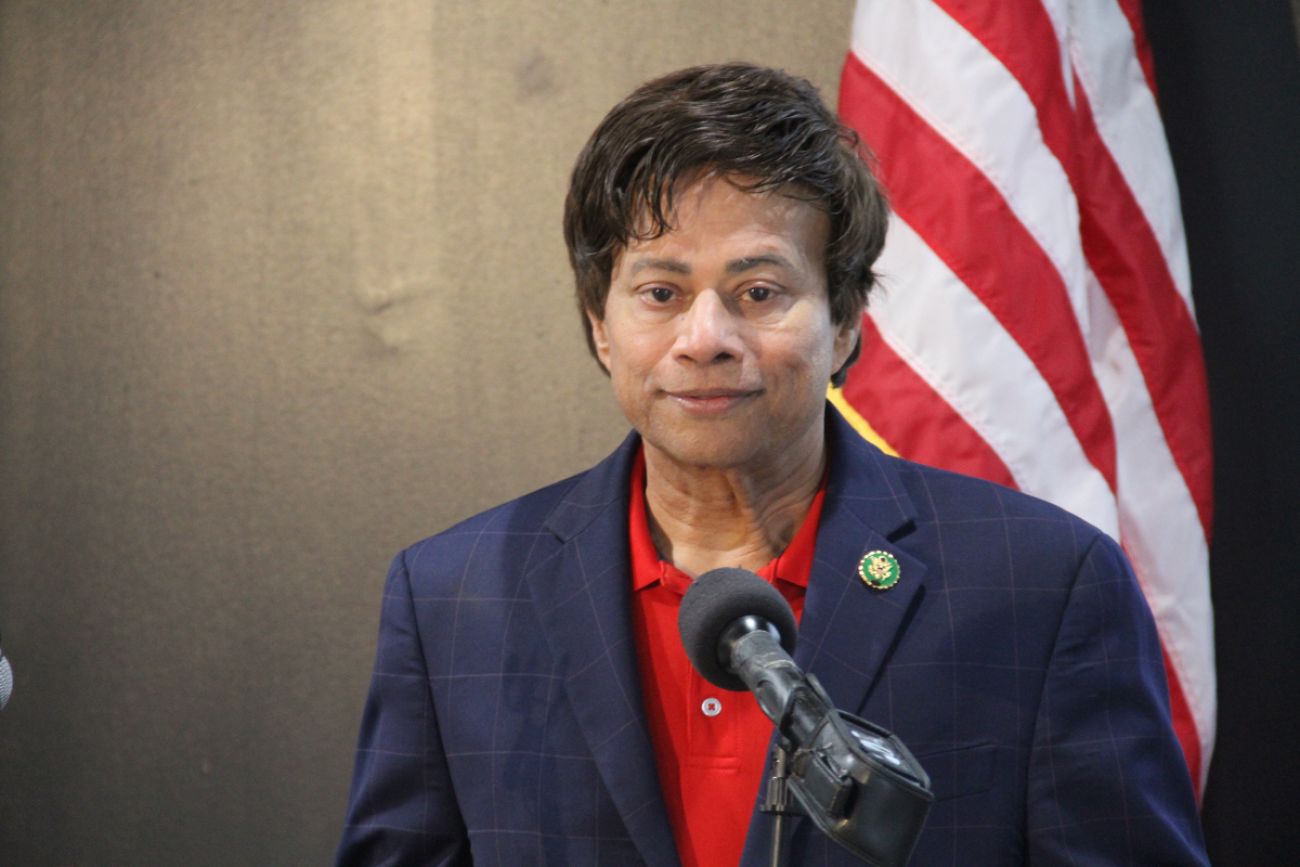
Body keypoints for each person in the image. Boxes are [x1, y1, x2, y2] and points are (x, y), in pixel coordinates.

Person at [335, 63, 1208, 866]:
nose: (705, 338)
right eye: (660, 293)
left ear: (847, 320)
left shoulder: (1045, 587)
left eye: (759, 291)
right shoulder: (453, 597)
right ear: (600, 324)